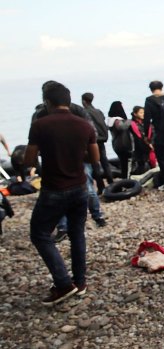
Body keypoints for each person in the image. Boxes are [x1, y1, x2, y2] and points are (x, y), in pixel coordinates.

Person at [24, 82, 99, 305]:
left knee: (39, 234)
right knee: (77, 233)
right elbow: (93, 159)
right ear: (68, 101)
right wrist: (75, 158)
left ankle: (63, 283)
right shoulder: (84, 125)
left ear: (47, 101)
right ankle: (80, 282)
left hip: (54, 188)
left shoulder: (40, 124)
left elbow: (29, 159)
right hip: (80, 187)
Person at [82, 92, 114, 193]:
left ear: (83, 101)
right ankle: (111, 182)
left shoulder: (84, 112)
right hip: (102, 139)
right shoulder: (98, 111)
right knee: (105, 162)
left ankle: (101, 187)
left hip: (92, 140)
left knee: (95, 163)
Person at [144, 80, 164, 190]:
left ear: (151, 89)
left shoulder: (149, 101)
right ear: (162, 87)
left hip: (159, 132)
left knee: (162, 158)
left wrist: (147, 135)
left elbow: (147, 119)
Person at [108, 101, 133, 179]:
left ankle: (124, 179)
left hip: (116, 144)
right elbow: (122, 127)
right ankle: (127, 181)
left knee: (123, 163)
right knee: (127, 164)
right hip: (123, 145)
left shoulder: (110, 120)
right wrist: (131, 120)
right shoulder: (117, 120)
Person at [129, 106, 154, 175]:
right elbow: (138, 136)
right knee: (141, 163)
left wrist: (151, 143)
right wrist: (148, 144)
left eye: (143, 112)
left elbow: (152, 133)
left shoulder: (147, 123)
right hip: (139, 147)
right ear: (135, 114)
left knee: (152, 161)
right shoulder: (132, 124)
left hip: (149, 145)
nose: (143, 114)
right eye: (141, 112)